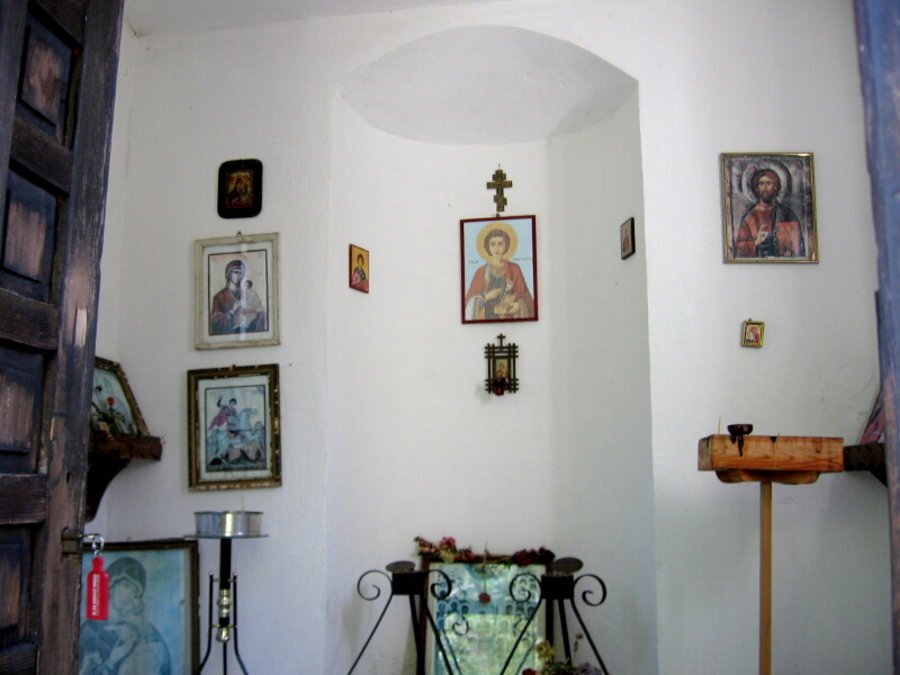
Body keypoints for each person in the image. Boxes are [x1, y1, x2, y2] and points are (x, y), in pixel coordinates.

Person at [79, 557, 172, 674]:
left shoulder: (146, 632)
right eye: (126, 585)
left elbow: (163, 667)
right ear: (110, 585)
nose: (130, 594)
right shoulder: (90, 630)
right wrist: (112, 661)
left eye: (135, 591)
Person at [464, 227, 535, 320]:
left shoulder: (514, 269)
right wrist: (486, 297)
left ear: (506, 246)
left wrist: (518, 305)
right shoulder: (481, 272)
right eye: (493, 244)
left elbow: (526, 297)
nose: (497, 248)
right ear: (488, 247)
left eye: (500, 243)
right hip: (486, 317)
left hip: (509, 317)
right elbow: (468, 303)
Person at [734, 168, 805, 258]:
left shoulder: (786, 213)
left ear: (776, 187)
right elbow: (738, 250)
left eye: (768, 183)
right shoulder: (749, 217)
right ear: (756, 188)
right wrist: (756, 242)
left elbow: (798, 247)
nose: (764, 187)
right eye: (761, 184)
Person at [209, 259, 267, 334]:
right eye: (236, 272)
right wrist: (232, 311)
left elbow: (261, 313)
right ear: (229, 273)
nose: (238, 276)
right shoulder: (219, 297)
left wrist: (251, 311)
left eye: (241, 273)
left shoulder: (249, 294)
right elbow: (216, 323)